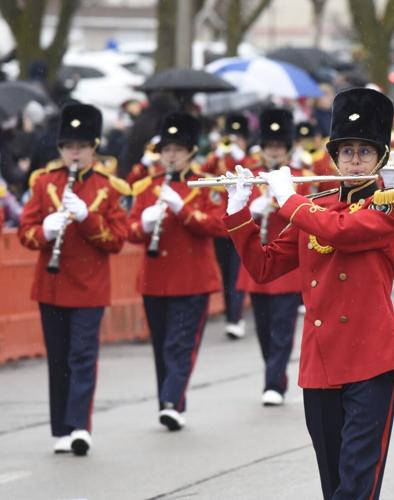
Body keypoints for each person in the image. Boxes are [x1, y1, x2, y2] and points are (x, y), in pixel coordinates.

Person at [222, 88, 394, 500]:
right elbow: (265, 266)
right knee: (333, 481)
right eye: (347, 152)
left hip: (371, 359)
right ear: (334, 157)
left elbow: (341, 233)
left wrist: (288, 199)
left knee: (356, 483)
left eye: (365, 152)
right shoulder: (317, 203)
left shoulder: (389, 203)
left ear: (380, 158)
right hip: (321, 360)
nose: (355, 161)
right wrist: (239, 212)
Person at [18, 103, 130, 455]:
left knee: (82, 355)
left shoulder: (108, 187)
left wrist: (87, 219)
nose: (74, 153)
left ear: (94, 147)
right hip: (51, 285)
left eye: (81, 146)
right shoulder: (44, 182)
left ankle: (81, 425)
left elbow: (116, 239)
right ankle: (62, 428)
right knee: (58, 358)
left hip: (90, 287)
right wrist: (45, 231)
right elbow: (26, 232)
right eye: (68, 147)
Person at [127, 112, 226, 431]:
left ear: (190, 153)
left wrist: (183, 210)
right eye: (166, 150)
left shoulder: (204, 186)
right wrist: (144, 223)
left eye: (177, 150)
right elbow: (131, 231)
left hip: (192, 279)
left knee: (180, 343)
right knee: (161, 344)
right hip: (156, 278)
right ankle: (169, 403)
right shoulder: (147, 186)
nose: (170, 156)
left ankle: (171, 399)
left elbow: (217, 225)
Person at [236, 108, 310, 406]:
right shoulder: (252, 178)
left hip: (287, 266)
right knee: (264, 329)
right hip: (258, 264)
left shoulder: (301, 177)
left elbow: (307, 213)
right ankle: (274, 373)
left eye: (279, 147)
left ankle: (274, 383)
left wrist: (282, 203)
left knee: (282, 327)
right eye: (270, 147)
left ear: (288, 148)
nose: (274, 152)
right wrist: (252, 209)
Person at [202, 113, 257, 339]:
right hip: (221, 225)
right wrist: (217, 154)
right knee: (227, 274)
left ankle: (236, 317)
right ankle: (231, 316)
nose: (233, 142)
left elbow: (254, 174)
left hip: (242, 221)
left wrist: (240, 156)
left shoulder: (251, 159)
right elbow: (204, 172)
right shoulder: (219, 159)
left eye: (238, 139)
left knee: (237, 272)